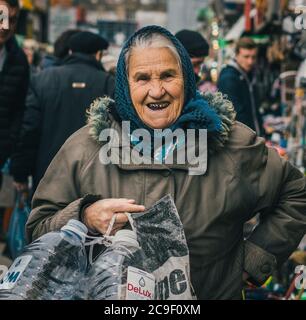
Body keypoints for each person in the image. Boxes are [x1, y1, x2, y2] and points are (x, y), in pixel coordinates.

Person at [25, 26, 306, 300]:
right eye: (142, 78)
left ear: (187, 78)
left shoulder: (233, 145)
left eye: (168, 75)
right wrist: (84, 216)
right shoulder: (85, 148)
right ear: (125, 85)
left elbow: (296, 193)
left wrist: (256, 260)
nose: (157, 91)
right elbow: (39, 228)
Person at [10, 31, 115, 193]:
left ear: (71, 51)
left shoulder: (41, 80)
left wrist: (20, 174)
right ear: (98, 54)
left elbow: (28, 130)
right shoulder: (109, 83)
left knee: (46, 218)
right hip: (93, 176)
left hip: (48, 174)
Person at [0, 0, 29, 188]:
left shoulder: (19, 60)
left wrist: (6, 148)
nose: (6, 26)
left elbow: (20, 110)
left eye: (13, 19)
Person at [217, 37, 263, 135]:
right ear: (237, 55)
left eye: (253, 57)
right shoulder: (229, 78)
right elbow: (236, 116)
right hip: (242, 141)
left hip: (252, 137)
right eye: (246, 57)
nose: (250, 61)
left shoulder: (249, 74)